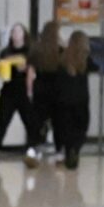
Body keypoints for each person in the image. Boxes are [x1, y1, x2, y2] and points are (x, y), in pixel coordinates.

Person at [0, 23, 40, 164]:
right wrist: (2, 67)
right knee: (2, 121)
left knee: (30, 122)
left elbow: (33, 71)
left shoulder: (30, 51)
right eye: (14, 32)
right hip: (9, 91)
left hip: (24, 91)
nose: (16, 35)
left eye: (19, 31)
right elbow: (0, 72)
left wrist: (30, 88)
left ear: (24, 34)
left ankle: (32, 148)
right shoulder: (6, 52)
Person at [54, 30, 94, 170]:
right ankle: (75, 150)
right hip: (81, 101)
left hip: (63, 101)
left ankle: (68, 150)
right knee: (81, 129)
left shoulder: (62, 59)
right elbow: (98, 66)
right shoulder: (85, 60)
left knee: (66, 129)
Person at [28, 20, 64, 168]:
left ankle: (33, 151)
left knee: (37, 120)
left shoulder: (36, 48)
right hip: (56, 87)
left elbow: (30, 70)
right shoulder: (61, 49)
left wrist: (29, 89)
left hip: (40, 86)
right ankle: (60, 152)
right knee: (58, 121)